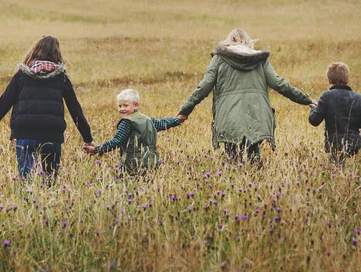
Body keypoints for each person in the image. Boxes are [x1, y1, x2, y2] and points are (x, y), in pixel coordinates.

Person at [178, 28, 316, 166]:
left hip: (229, 116)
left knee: (231, 159)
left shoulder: (219, 58)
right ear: (249, 42)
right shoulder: (260, 60)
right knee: (254, 156)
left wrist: (185, 110)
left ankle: (235, 185)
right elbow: (279, 84)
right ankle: (257, 183)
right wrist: (306, 99)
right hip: (256, 115)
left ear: (228, 42)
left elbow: (204, 86)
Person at [0, 35, 93, 180]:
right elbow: (76, 110)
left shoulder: (21, 76)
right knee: (50, 183)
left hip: (25, 134)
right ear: (57, 53)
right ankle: (49, 201)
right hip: (52, 135)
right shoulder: (61, 78)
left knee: (26, 182)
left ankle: (27, 202)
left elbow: (2, 105)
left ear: (34, 51)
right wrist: (88, 138)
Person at [83, 88, 184, 175]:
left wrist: (96, 149)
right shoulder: (147, 119)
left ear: (136, 105)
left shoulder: (127, 122)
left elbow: (116, 141)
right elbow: (163, 123)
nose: (122, 109)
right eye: (120, 106)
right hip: (152, 162)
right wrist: (177, 120)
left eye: (125, 106)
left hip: (133, 165)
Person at [309, 62, 361, 165]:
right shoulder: (358, 98)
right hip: (355, 145)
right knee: (353, 173)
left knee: (336, 172)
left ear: (329, 80)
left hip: (334, 146)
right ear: (347, 80)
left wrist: (314, 109)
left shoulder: (326, 96)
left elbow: (314, 121)